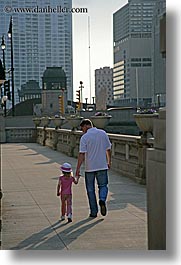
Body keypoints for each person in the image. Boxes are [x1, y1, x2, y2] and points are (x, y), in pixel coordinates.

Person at [75, 119, 111, 218]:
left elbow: (81, 154)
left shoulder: (85, 137)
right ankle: (102, 199)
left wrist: (77, 169)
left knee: (90, 190)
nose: (82, 131)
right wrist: (109, 161)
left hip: (90, 167)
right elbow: (108, 149)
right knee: (103, 185)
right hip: (102, 165)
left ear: (85, 126)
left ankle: (93, 212)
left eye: (82, 128)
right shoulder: (103, 133)